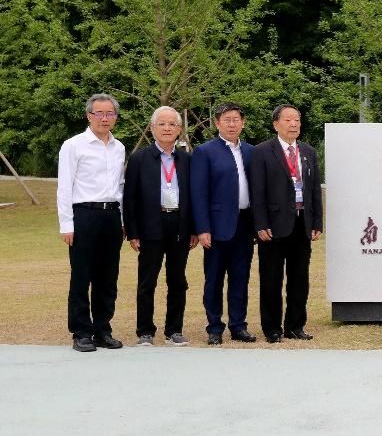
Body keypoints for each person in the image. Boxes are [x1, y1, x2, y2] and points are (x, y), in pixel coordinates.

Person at [57, 94, 126, 352]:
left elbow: (120, 186)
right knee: (81, 275)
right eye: (99, 113)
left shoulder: (119, 147)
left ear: (115, 117)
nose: (104, 118)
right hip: (84, 214)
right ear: (89, 115)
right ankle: (81, 332)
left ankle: (102, 329)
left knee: (107, 277)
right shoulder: (73, 145)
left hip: (111, 216)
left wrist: (122, 220)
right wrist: (67, 224)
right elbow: (65, 186)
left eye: (110, 114)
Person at [123, 106, 196, 346]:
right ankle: (145, 330)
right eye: (161, 124)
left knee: (177, 280)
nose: (167, 128)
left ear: (179, 129)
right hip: (150, 225)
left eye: (172, 124)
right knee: (147, 281)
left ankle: (174, 330)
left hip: (179, 224)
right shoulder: (139, 158)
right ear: (152, 128)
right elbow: (130, 198)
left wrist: (193, 229)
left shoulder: (187, 159)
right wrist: (132, 232)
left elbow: (194, 196)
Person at [250, 104, 322, 343]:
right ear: (276, 124)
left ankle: (295, 325)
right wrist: (260, 223)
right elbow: (257, 191)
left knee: (299, 278)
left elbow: (314, 189)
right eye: (288, 119)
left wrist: (316, 221)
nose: (294, 124)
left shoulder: (308, 152)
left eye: (297, 120)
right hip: (273, 225)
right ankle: (272, 328)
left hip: (302, 223)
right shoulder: (262, 152)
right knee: (271, 279)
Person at [191, 103, 258, 346]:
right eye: (227, 119)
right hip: (217, 226)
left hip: (245, 224)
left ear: (243, 123)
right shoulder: (205, 151)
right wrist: (202, 228)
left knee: (240, 278)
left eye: (236, 119)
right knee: (214, 279)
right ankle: (214, 327)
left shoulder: (251, 151)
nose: (232, 124)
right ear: (217, 123)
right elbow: (198, 193)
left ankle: (238, 326)